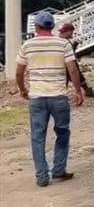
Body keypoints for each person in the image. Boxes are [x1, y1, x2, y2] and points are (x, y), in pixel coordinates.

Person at [15, 12, 84, 187]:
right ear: (52, 27)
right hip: (58, 97)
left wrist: (23, 90)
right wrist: (78, 92)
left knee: (38, 137)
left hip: (37, 97)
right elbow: (73, 70)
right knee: (62, 132)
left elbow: (19, 72)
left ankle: (42, 177)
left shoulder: (27, 45)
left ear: (36, 27)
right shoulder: (63, 44)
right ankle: (59, 170)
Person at [58, 23, 94, 98]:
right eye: (71, 31)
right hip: (67, 65)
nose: (72, 34)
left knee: (78, 79)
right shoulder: (64, 42)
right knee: (73, 79)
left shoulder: (63, 40)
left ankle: (87, 92)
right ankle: (63, 95)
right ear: (67, 31)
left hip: (67, 64)